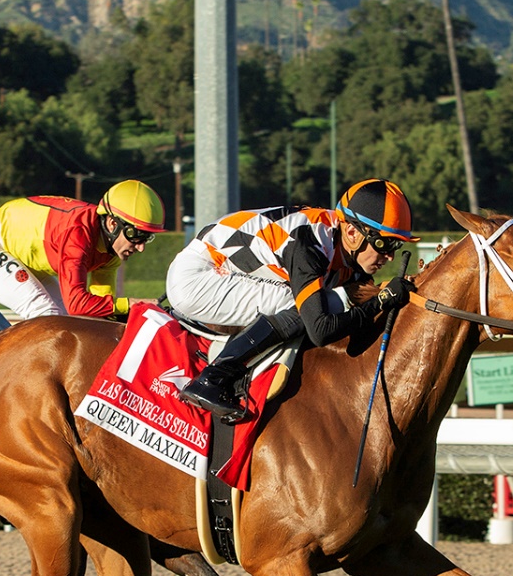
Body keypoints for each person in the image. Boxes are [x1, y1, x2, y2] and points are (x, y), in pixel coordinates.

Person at [169, 178, 419, 422]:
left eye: (396, 246)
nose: (388, 257)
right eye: (383, 244)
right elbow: (320, 329)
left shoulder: (343, 244)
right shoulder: (309, 245)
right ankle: (212, 379)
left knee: (332, 299)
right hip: (198, 277)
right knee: (306, 307)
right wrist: (381, 300)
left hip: (226, 270)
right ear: (352, 232)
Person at [0, 179, 166, 321]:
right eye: (135, 235)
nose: (140, 247)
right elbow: (78, 303)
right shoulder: (78, 234)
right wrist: (130, 305)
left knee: (66, 321)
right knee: (46, 313)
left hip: (20, 254)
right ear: (112, 224)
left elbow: (98, 311)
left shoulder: (111, 253)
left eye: (147, 237)